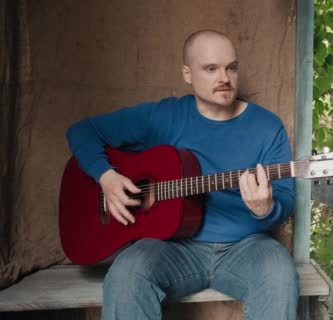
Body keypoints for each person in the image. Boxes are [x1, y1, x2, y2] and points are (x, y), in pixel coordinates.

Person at [66, 30, 298, 320]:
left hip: (246, 247)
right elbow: (82, 131)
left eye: (231, 67)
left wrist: (267, 208)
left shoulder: (268, 127)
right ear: (187, 74)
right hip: (172, 247)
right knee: (127, 273)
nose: (224, 78)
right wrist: (107, 177)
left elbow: (287, 197)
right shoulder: (164, 116)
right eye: (211, 68)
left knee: (279, 272)